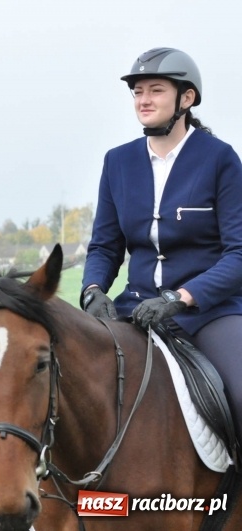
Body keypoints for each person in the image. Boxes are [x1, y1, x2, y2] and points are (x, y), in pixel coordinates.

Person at [81, 47, 242, 463]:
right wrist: (93, 290)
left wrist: (179, 298)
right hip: (135, 309)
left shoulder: (220, 159)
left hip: (208, 313)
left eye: (155, 90)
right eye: (137, 92)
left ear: (185, 99)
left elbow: (238, 254)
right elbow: (104, 245)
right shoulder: (117, 162)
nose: (143, 100)